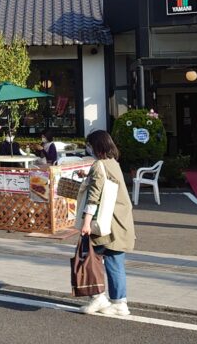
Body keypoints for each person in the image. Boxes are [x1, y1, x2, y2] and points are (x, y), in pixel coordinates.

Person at [78, 130, 136, 316]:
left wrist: (86, 223)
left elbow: (94, 197)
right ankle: (120, 303)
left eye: (89, 145)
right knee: (115, 262)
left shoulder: (98, 165)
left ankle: (98, 297)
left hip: (104, 225)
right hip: (120, 223)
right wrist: (87, 176)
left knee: (88, 259)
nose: (88, 148)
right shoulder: (113, 164)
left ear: (97, 146)